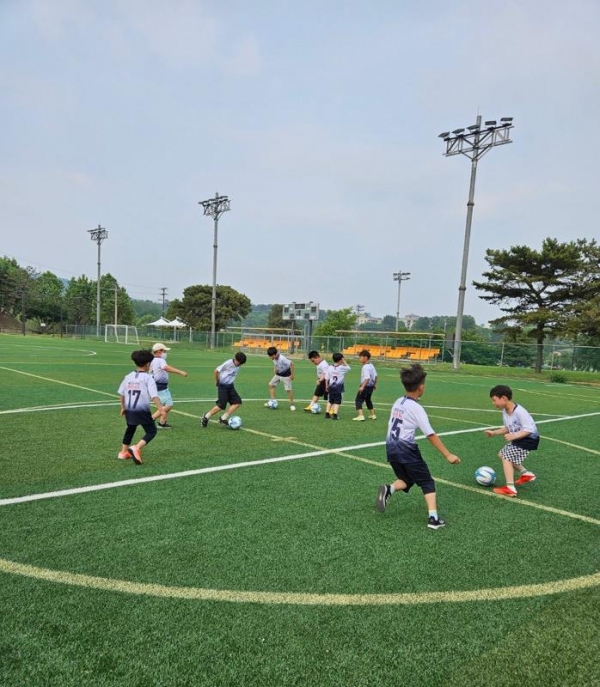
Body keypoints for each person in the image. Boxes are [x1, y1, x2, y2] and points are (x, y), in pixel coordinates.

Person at [375, 363, 460, 529]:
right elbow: (430, 434)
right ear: (421, 387)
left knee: (407, 479)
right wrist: (447, 454)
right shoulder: (416, 408)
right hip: (406, 449)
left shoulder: (398, 401)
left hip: (391, 447)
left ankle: (389, 489)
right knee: (427, 482)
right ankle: (433, 519)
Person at [485, 384, 540, 497]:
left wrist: (514, 436)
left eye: (495, 400)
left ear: (504, 398)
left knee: (506, 457)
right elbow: (508, 428)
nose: (493, 403)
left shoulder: (520, 411)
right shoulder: (505, 411)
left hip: (529, 439)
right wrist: (494, 432)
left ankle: (510, 488)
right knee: (501, 454)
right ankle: (526, 474)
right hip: (521, 438)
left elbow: (529, 429)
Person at [117, 349, 163, 465]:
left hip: (130, 409)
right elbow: (154, 396)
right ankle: (136, 447)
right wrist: (161, 409)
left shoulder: (128, 376)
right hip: (142, 410)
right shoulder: (148, 378)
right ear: (148, 364)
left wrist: (123, 407)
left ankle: (123, 453)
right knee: (151, 431)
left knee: (130, 429)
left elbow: (121, 394)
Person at [201, 351, 247, 427]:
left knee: (237, 402)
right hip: (222, 386)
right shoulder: (228, 363)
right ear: (235, 359)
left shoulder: (238, 365)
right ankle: (206, 416)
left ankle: (223, 418)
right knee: (221, 406)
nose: (240, 364)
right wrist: (217, 381)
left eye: (241, 363)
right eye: (239, 362)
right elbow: (216, 371)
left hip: (230, 386)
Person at [150, 342, 189, 429]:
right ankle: (151, 419)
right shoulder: (160, 360)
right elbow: (165, 367)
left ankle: (162, 423)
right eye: (164, 351)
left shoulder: (152, 360)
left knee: (166, 404)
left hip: (157, 385)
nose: (165, 353)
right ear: (159, 351)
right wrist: (180, 372)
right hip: (159, 386)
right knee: (168, 405)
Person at [265, 346, 296, 411]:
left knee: (288, 390)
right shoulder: (274, 359)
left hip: (286, 375)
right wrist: (275, 369)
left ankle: (292, 404)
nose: (270, 358)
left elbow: (292, 363)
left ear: (275, 354)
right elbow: (275, 364)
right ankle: (273, 401)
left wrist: (292, 375)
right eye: (269, 356)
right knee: (271, 385)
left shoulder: (282, 359)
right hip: (278, 374)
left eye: (271, 356)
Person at [352, 349, 378, 421]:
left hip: (365, 386)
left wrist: (362, 387)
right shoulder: (371, 365)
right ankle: (373, 415)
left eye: (361, 357)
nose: (360, 359)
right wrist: (374, 384)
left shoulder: (365, 367)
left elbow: (367, 378)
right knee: (368, 400)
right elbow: (376, 376)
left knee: (358, 400)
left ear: (365, 357)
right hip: (371, 386)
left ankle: (361, 415)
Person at [324, 353, 351, 420]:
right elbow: (349, 368)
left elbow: (326, 378)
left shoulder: (330, 367)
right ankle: (335, 415)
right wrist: (344, 361)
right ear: (340, 360)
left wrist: (326, 386)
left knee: (330, 400)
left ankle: (327, 413)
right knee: (337, 402)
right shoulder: (341, 368)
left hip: (331, 387)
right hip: (339, 388)